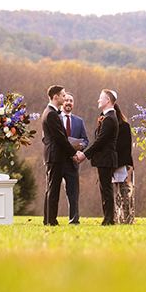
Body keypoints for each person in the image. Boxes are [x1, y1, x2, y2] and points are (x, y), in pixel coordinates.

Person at [42, 86, 84, 226]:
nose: (64, 97)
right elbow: (60, 138)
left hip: (55, 156)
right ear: (55, 97)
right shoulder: (51, 114)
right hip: (55, 157)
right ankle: (50, 221)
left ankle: (48, 219)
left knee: (52, 189)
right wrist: (73, 153)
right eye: (62, 95)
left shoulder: (51, 112)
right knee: (53, 190)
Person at [77, 89, 119, 225]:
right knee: (105, 189)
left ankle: (108, 220)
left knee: (106, 190)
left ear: (108, 101)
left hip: (106, 159)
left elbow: (100, 141)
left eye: (101, 98)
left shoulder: (109, 119)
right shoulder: (108, 118)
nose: (98, 100)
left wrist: (85, 154)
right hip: (104, 159)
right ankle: (108, 219)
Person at [60, 92, 88, 224]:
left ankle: (74, 220)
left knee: (73, 194)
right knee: (52, 191)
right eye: (66, 100)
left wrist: (81, 145)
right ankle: (50, 219)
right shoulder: (54, 118)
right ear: (61, 103)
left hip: (73, 163)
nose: (68, 103)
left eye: (71, 100)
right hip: (58, 160)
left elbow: (86, 140)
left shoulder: (79, 121)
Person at [113, 98, 134, 224]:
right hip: (110, 164)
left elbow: (125, 147)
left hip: (123, 164)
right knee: (113, 194)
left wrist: (116, 164)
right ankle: (115, 218)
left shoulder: (124, 126)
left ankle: (126, 218)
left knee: (125, 194)